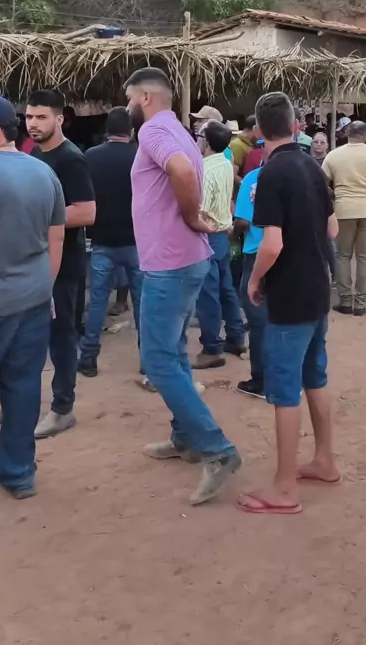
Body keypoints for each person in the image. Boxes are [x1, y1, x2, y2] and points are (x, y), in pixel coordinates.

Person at [126, 67, 241, 505]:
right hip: (185, 259)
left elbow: (179, 169)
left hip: (169, 263)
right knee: (172, 352)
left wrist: (191, 216)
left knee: (157, 361)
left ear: (145, 98)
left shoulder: (153, 130)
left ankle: (217, 449)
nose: (128, 106)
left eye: (130, 98)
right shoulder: (177, 129)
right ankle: (186, 438)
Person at [236, 92, 339, 515]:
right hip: (317, 288)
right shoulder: (312, 166)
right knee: (315, 376)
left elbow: (272, 244)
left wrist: (254, 279)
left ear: (260, 130)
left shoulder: (270, 173)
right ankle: (324, 460)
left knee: (283, 389)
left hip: (289, 295)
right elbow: (332, 229)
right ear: (295, 125)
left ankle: (284, 488)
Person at [0, 95, 65, 498]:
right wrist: (45, 289)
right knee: (23, 387)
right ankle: (18, 475)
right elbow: (56, 239)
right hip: (33, 299)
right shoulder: (44, 172)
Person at [26, 90, 96, 437]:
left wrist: (37, 218)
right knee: (26, 335)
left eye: (41, 117)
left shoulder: (71, 159)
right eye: (29, 117)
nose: (33, 124)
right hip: (34, 259)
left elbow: (87, 212)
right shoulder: (35, 154)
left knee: (62, 337)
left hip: (65, 264)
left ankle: (62, 408)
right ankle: (11, 401)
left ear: (59, 119)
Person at [78, 107, 141, 378]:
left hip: (101, 240)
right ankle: (148, 361)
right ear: (131, 131)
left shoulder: (91, 156)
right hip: (137, 241)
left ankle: (88, 359)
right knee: (143, 305)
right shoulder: (140, 155)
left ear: (107, 130)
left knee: (98, 302)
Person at [323, 121, 366, 316]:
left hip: (344, 209)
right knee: (365, 256)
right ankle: (361, 303)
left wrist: (334, 195)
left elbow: (320, 183)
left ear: (346, 133)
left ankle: (345, 301)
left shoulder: (334, 155)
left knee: (343, 256)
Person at [193, 121, 246, 369]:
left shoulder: (204, 171)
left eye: (199, 136)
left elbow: (200, 212)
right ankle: (235, 337)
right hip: (222, 233)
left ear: (206, 141)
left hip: (208, 235)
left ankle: (212, 347)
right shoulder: (225, 163)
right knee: (226, 289)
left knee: (208, 295)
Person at [233, 152, 267, 398]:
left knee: (259, 320)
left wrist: (233, 232)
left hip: (258, 254)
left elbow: (243, 222)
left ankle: (262, 381)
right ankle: (290, 378)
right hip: (294, 256)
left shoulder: (254, 178)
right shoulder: (306, 173)